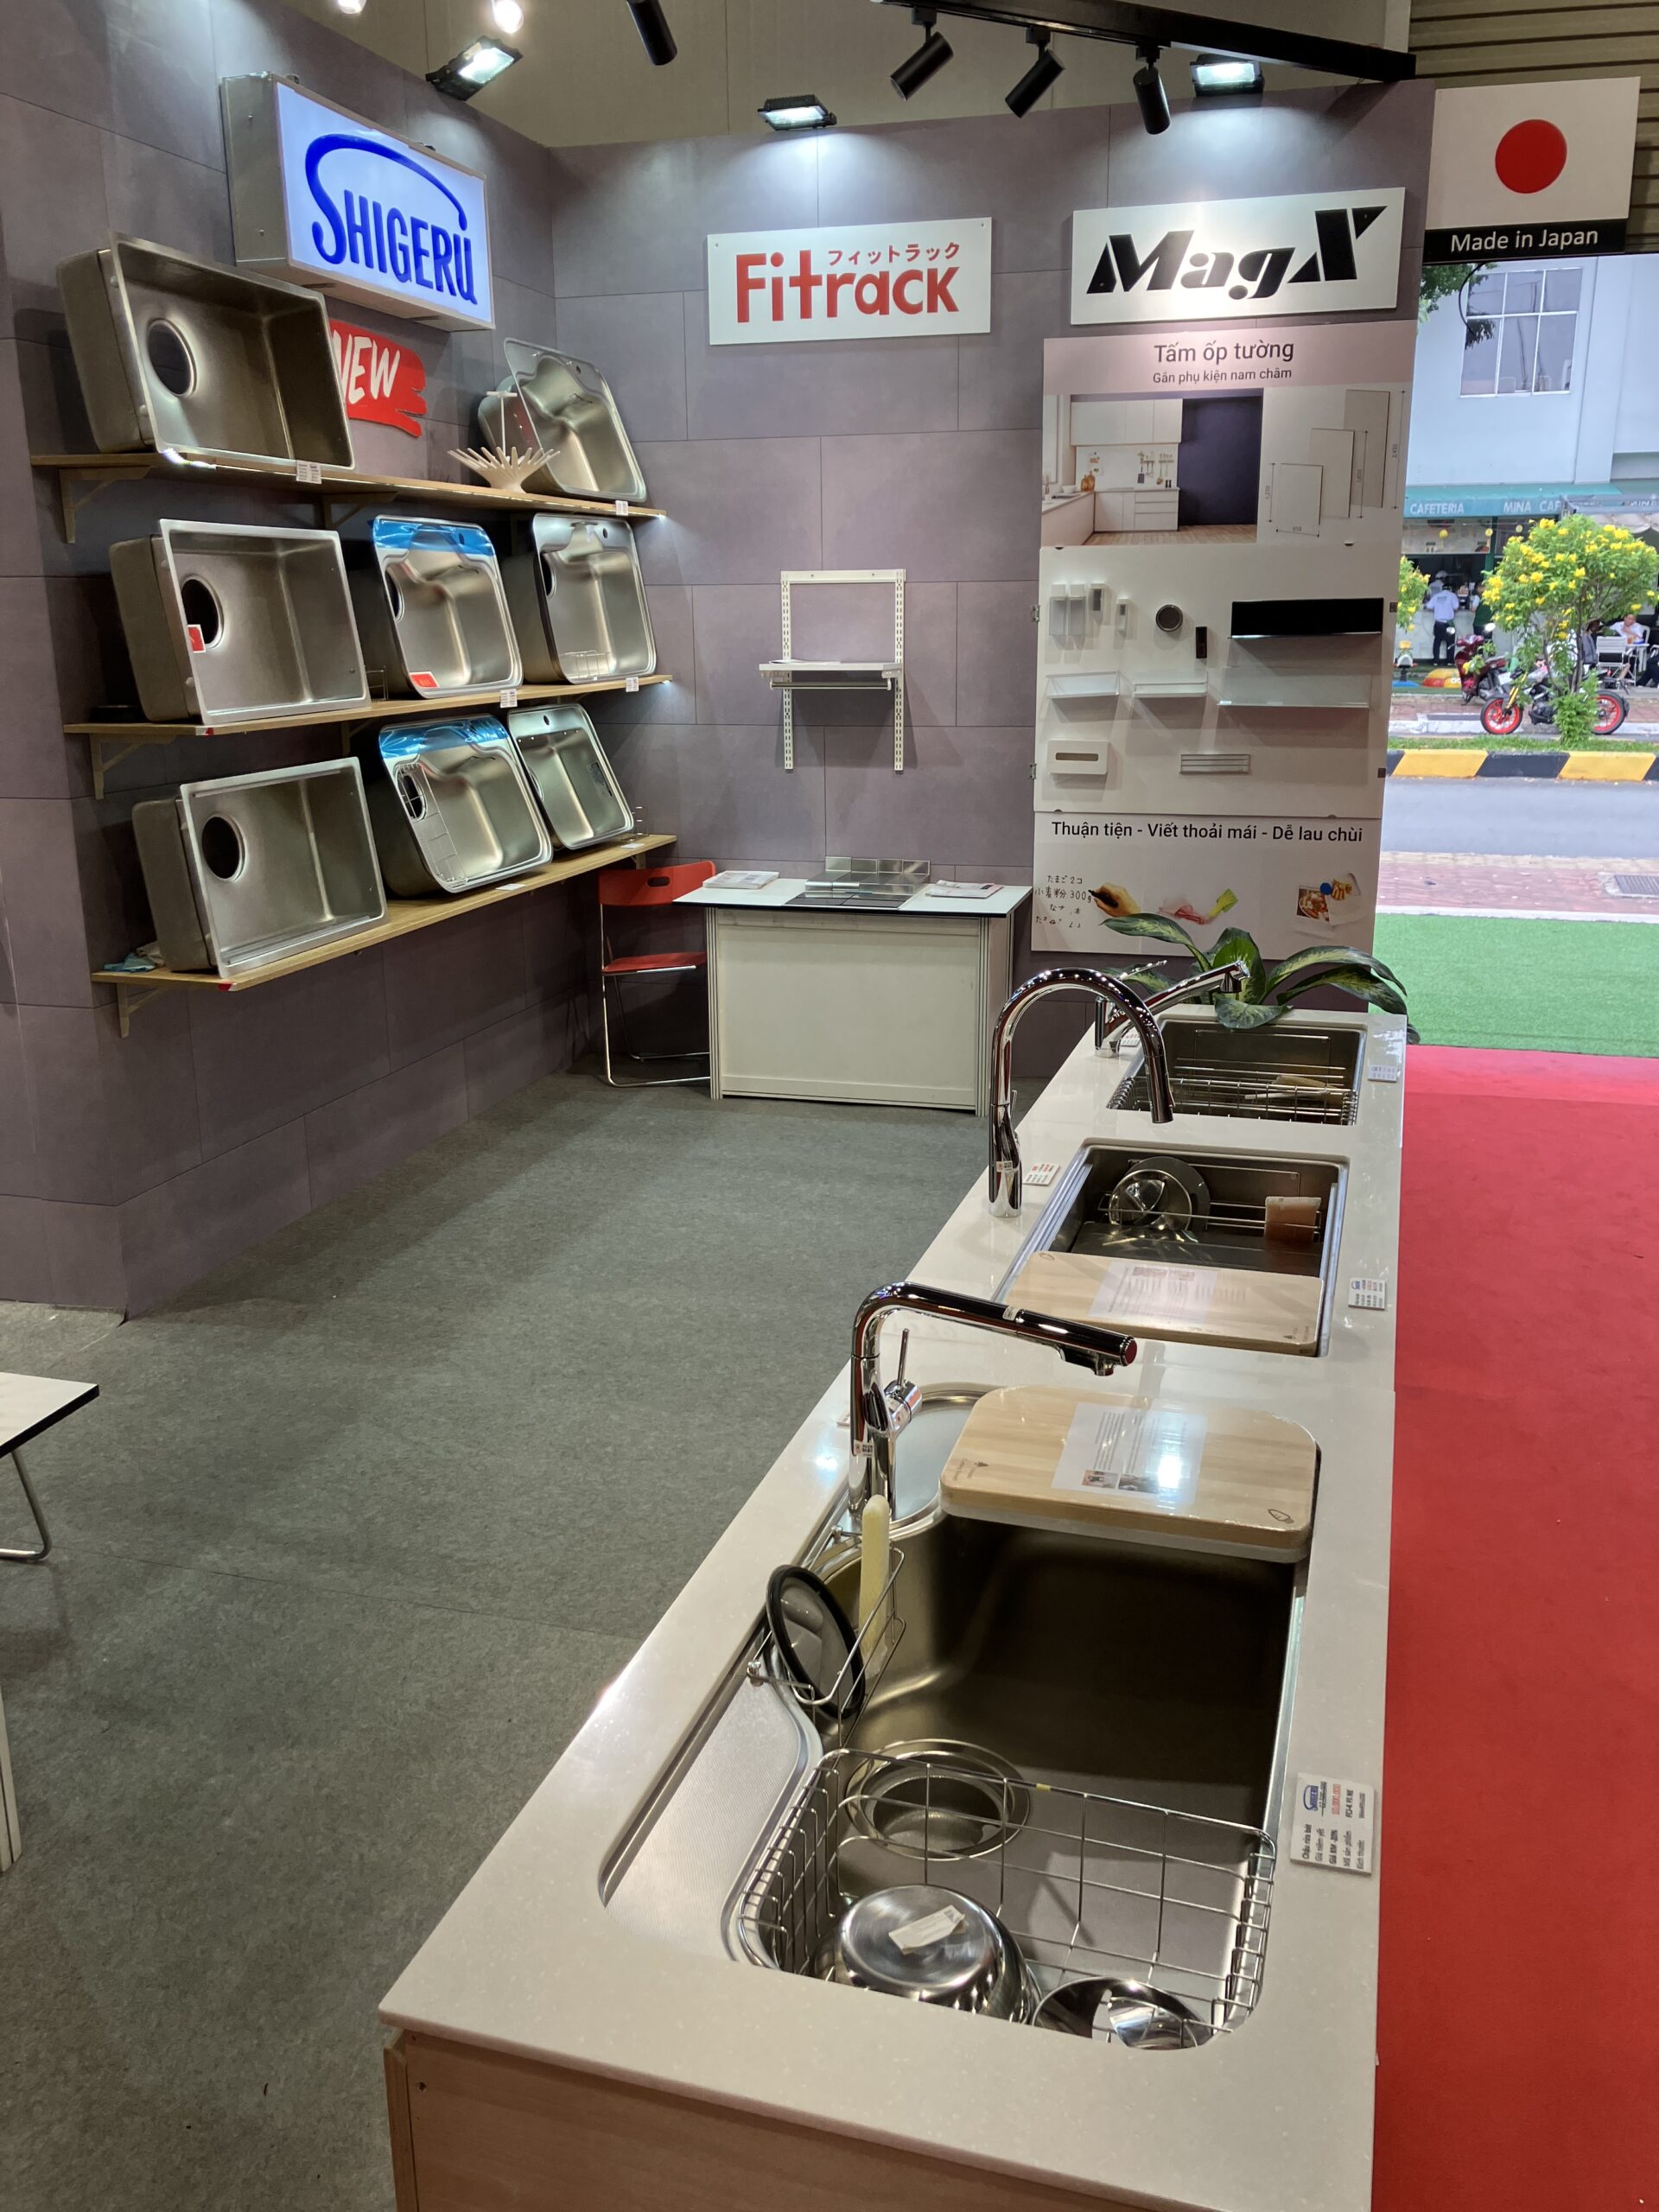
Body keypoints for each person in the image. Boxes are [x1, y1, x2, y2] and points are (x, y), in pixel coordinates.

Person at [1427, 576, 1459, 664]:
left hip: (1438, 623)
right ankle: (1450, 661)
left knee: (1437, 642)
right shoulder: (1453, 596)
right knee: (1450, 642)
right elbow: (1456, 608)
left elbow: (1429, 607)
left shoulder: (1436, 596)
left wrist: (1438, 609)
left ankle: (1436, 661)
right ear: (1450, 589)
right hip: (1449, 623)